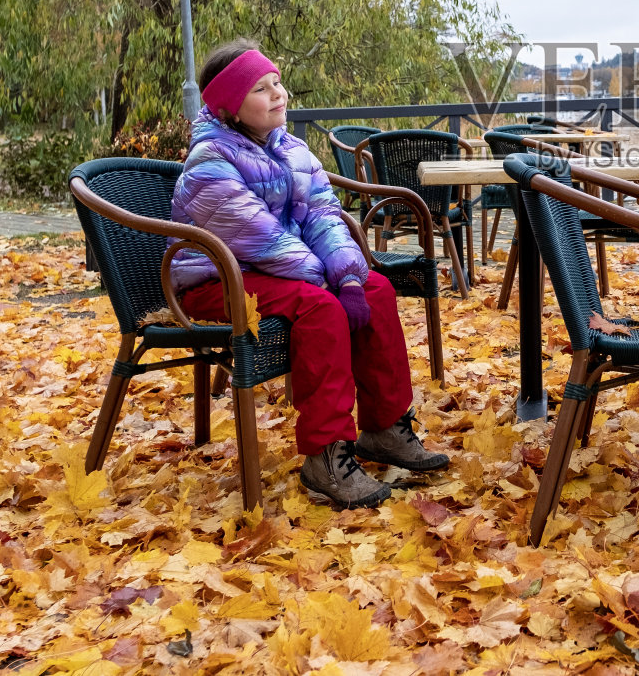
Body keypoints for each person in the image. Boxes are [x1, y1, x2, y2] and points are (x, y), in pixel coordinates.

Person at [169, 38, 448, 508]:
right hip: (217, 281)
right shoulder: (210, 163)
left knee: (376, 289)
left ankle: (384, 427)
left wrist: (350, 278)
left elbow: (323, 216)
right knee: (320, 307)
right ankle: (325, 455)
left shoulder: (293, 149)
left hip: (275, 273)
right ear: (231, 108)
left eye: (277, 82)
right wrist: (328, 283)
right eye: (261, 88)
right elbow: (262, 240)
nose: (278, 94)